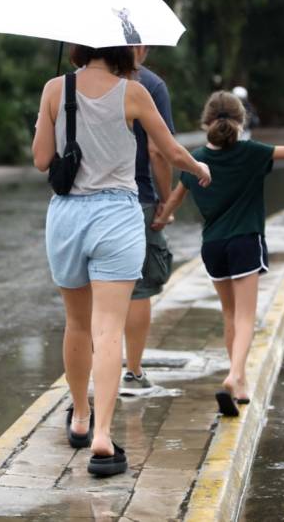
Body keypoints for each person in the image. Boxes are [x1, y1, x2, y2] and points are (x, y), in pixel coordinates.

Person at [32, 45, 211, 476]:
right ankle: (102, 437)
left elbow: (41, 161)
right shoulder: (134, 93)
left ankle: (79, 416)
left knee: (76, 323)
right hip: (116, 215)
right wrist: (199, 170)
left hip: (67, 216)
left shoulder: (55, 89)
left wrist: (59, 122)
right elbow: (169, 151)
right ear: (121, 48)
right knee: (108, 327)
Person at [152, 91, 284, 417]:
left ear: (205, 122)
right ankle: (233, 375)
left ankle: (241, 383)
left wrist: (161, 220)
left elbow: (175, 197)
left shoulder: (196, 159)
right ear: (241, 120)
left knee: (230, 316)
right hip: (245, 241)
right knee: (247, 317)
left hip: (213, 247)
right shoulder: (252, 152)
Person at [120, 45, 175, 396]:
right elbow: (159, 149)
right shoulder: (149, 85)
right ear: (138, 47)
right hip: (135, 197)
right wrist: (166, 199)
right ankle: (133, 371)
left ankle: (87, 386)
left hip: (80, 199)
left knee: (92, 296)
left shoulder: (68, 86)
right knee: (137, 290)